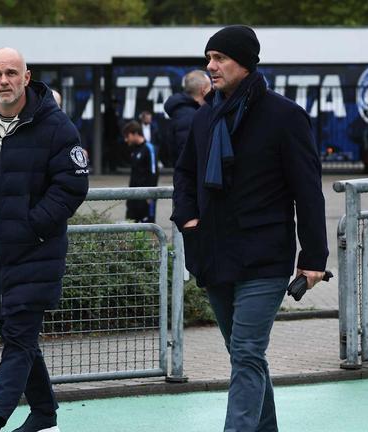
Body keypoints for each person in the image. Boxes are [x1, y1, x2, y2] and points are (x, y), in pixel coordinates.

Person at [171, 25, 328, 432]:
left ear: (245, 62)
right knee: (245, 355)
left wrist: (312, 259)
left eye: (220, 58)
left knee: (245, 352)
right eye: (209, 58)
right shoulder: (206, 117)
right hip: (214, 253)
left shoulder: (284, 116)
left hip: (265, 257)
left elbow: (308, 191)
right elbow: (185, 173)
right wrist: (188, 220)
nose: (211, 66)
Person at [0, 47, 89, 432]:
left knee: (19, 337)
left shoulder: (57, 127)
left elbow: (72, 185)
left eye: (12, 72)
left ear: (27, 77)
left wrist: (32, 226)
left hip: (36, 253)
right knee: (19, 337)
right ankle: (44, 417)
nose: (4, 80)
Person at [164, 70, 211, 167]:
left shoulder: (184, 113)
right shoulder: (190, 117)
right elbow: (188, 159)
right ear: (203, 90)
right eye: (210, 87)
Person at [123, 120, 159, 223]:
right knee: (130, 226)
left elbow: (154, 173)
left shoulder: (149, 148)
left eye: (127, 136)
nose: (126, 139)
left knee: (148, 228)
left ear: (135, 133)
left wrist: (150, 195)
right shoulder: (133, 150)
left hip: (146, 198)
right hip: (133, 197)